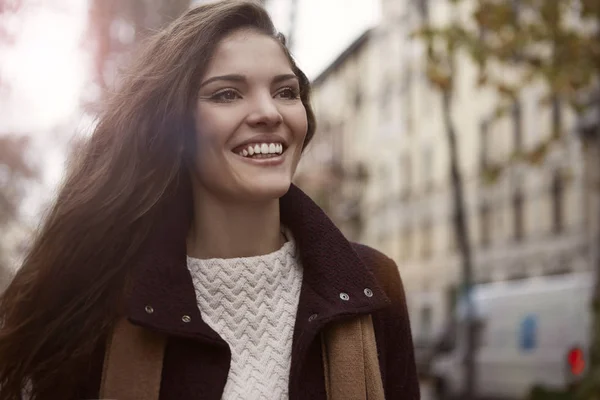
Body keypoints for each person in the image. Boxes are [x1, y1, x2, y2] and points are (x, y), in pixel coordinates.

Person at [0, 1, 420, 399]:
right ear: (175, 129)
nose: (269, 112)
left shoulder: (374, 283)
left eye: (285, 92)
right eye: (226, 94)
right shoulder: (107, 298)